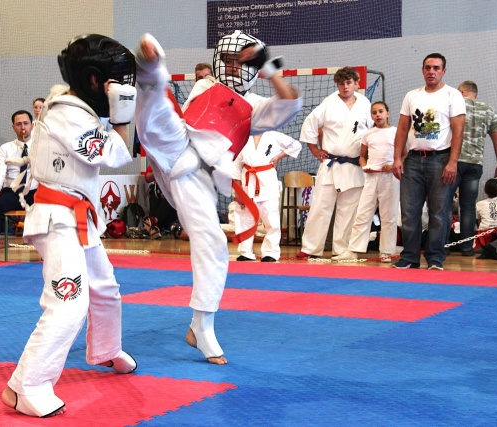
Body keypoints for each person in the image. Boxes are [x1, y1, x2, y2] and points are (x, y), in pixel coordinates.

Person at [135, 31, 301, 364]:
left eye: (241, 63)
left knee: (212, 242)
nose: (233, 67)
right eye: (227, 60)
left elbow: (290, 104)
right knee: (157, 116)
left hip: (198, 179)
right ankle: (150, 70)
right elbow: (183, 114)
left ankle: (201, 326)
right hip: (177, 146)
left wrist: (270, 69)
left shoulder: (255, 107)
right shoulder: (205, 85)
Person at [1, 34, 138, 417]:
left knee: (105, 288)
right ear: (93, 80)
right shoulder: (67, 113)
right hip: (57, 217)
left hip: (79, 217)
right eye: (113, 80)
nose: (119, 87)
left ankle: (106, 349)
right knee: (69, 302)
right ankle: (25, 386)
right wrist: (122, 115)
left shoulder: (80, 107)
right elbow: (116, 155)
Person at [391, 53, 466, 270]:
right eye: (427, 67)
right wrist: (397, 158)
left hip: (440, 159)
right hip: (413, 160)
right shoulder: (411, 96)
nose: (431, 71)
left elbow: (458, 131)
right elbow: (402, 129)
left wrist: (453, 162)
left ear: (444, 71)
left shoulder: (453, 95)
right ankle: (409, 257)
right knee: (409, 211)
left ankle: (435, 257)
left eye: (436, 68)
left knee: (439, 211)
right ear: (422, 70)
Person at [296, 66, 373, 260]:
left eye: (349, 83)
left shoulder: (365, 104)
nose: (345, 87)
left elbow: (372, 132)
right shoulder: (328, 103)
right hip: (331, 163)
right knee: (320, 206)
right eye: (341, 83)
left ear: (356, 84)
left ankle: (342, 249)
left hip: (354, 164)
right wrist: (315, 150)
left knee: (349, 210)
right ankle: (311, 248)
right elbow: (310, 124)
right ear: (337, 85)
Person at [333, 101, 400, 262]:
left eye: (381, 111)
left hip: (390, 178)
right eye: (374, 112)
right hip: (371, 178)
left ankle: (386, 251)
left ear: (388, 113)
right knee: (363, 213)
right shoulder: (368, 134)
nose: (378, 115)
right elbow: (362, 156)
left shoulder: (396, 132)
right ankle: (353, 250)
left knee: (388, 215)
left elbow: (403, 154)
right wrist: (364, 167)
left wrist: (393, 165)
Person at [450, 80, 497, 256]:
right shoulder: (488, 110)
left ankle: (443, 246)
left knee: (444, 204)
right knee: (468, 206)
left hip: (453, 162)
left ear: (461, 92)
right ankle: (467, 248)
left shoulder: (454, 104)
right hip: (475, 164)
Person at [232, 131, 301, 262]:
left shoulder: (274, 135)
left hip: (267, 181)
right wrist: (238, 191)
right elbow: (235, 165)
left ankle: (271, 252)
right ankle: (245, 252)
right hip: (247, 182)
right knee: (244, 218)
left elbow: (296, 145)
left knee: (271, 219)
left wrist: (279, 156)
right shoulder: (242, 137)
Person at [0, 110, 38, 263]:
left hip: (35, 191)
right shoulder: (6, 148)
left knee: (51, 206)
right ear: (13, 127)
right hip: (14, 192)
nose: (23, 127)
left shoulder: (41, 146)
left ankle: (46, 251)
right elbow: (0, 170)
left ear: (32, 126)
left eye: (26, 123)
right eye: (18, 124)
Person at [143, 164, 178, 233]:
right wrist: (157, 172)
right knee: (153, 193)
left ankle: (154, 222)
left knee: (168, 199)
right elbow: (147, 178)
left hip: (173, 189)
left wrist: (167, 192)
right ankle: (153, 222)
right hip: (159, 189)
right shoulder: (157, 162)